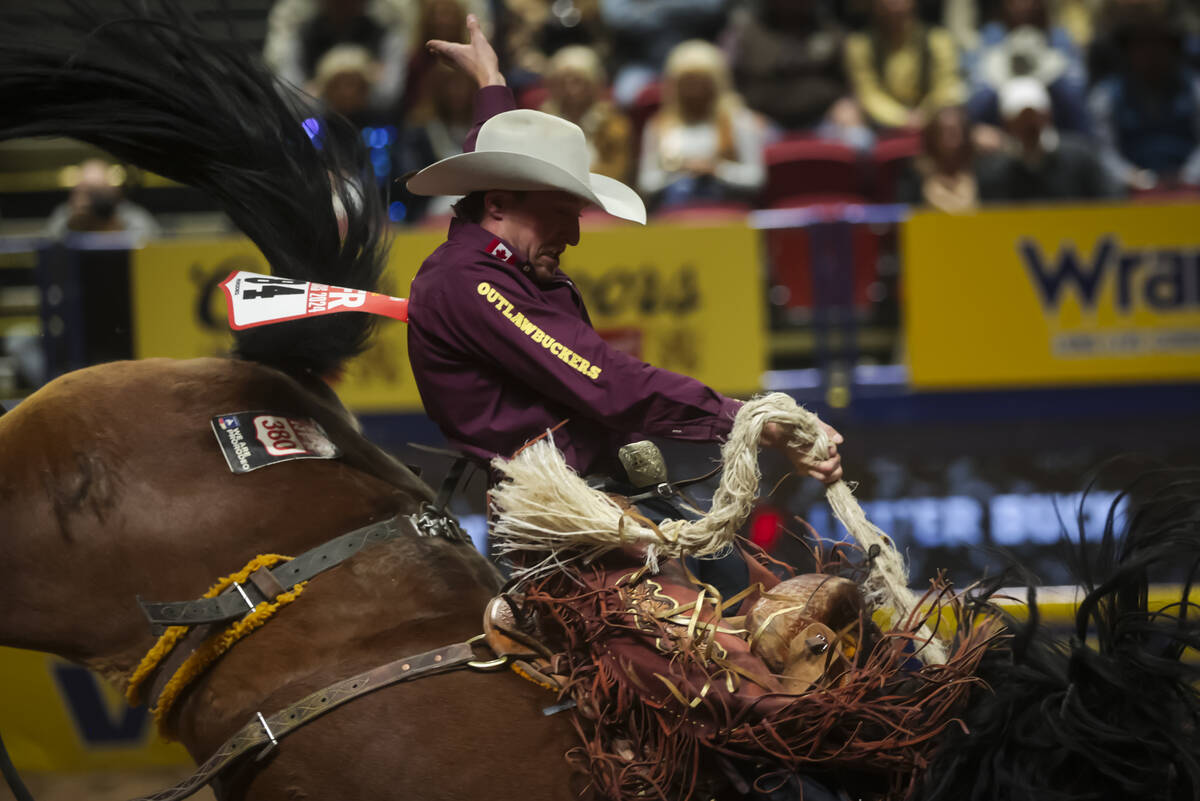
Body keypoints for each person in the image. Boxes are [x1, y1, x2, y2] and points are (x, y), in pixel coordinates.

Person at [404, 15, 843, 501]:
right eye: (560, 215)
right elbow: (608, 380)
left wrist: (492, 85)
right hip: (560, 511)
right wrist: (751, 422)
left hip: (597, 490)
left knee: (729, 566)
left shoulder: (486, 253)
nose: (573, 236)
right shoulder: (468, 280)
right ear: (499, 205)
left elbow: (494, 166)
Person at [637, 40, 767, 209]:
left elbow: (755, 178)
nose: (693, 91)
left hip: (725, 206)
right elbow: (646, 182)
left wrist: (716, 170)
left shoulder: (740, 120)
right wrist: (679, 170)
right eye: (686, 83)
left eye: (700, 83)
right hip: (674, 209)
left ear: (716, 83)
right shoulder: (658, 124)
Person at [1089, 11, 1200, 192]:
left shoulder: (1194, 90)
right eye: (1141, 46)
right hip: (1129, 191)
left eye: (1159, 45)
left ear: (1173, 49)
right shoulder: (1106, 96)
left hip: (1191, 188)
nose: (1151, 53)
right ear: (1128, 51)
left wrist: (1188, 176)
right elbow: (1103, 152)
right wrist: (1133, 177)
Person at [976, 76, 1120, 202]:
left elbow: (1109, 200)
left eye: (1034, 115)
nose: (1029, 123)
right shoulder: (994, 171)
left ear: (1048, 115)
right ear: (1007, 123)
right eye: (1020, 118)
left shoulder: (1080, 157)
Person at [844, 0, 966, 130]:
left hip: (932, 119)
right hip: (880, 123)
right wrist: (903, 118)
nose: (894, 4)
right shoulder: (860, 45)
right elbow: (868, 94)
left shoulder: (938, 40)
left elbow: (945, 88)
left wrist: (924, 115)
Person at [539, 45, 633, 183]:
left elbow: (617, 170)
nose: (570, 89)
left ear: (594, 83)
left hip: (602, 195)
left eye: (577, 81)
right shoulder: (542, 121)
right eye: (562, 82)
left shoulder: (613, 123)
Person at [43, 159, 162, 241]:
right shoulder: (65, 215)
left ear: (113, 192)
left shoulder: (132, 216)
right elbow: (50, 246)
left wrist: (112, 226)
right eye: (83, 191)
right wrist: (73, 226)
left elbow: (149, 244)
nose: (88, 200)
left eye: (95, 192)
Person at [897, 104, 980, 212]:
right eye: (942, 131)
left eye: (953, 131)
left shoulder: (983, 172)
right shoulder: (914, 175)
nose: (948, 137)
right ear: (932, 135)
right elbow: (906, 215)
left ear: (965, 133)